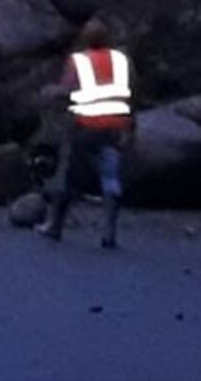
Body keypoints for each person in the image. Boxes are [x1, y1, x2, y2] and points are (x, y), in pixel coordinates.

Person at [36, 18, 135, 249]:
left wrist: (50, 91)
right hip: (115, 126)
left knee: (68, 176)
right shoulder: (121, 61)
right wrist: (130, 126)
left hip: (87, 125)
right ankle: (109, 232)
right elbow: (131, 91)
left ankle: (54, 226)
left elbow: (68, 89)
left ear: (84, 39)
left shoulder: (79, 61)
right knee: (110, 177)